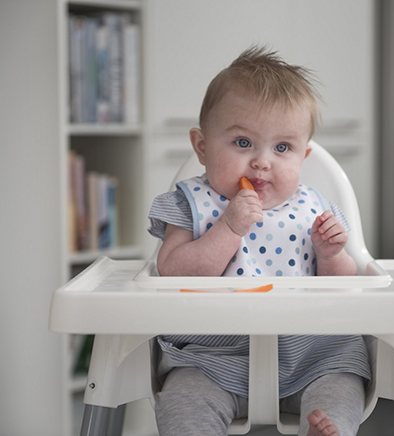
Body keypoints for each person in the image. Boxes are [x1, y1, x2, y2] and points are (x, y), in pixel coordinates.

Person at [148, 46, 371, 436]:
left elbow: (347, 282)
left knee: (342, 385)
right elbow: (171, 270)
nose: (262, 162)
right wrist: (228, 229)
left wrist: (331, 254)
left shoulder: (314, 208)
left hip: (311, 355)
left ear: (304, 155)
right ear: (201, 146)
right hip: (213, 359)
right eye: (243, 143)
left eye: (282, 148)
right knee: (183, 400)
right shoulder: (189, 204)